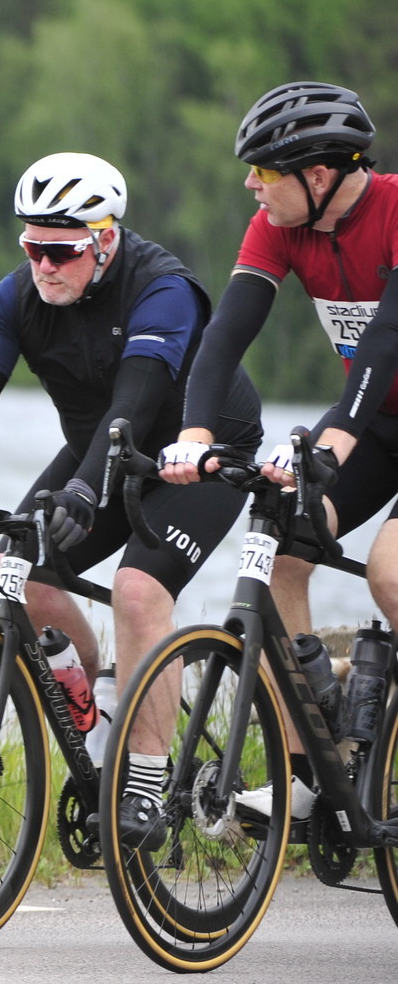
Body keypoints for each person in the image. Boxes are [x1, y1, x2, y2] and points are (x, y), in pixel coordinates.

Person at [0, 152, 263, 848]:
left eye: (61, 251)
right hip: (99, 448)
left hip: (196, 454)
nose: (44, 265)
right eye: (32, 248)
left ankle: (144, 782)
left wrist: (80, 489)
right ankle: (101, 718)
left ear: (105, 240)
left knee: (138, 591)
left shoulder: (162, 290)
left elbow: (133, 406)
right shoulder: (15, 298)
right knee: (21, 567)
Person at [160, 81, 387, 822]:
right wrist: (196, 433)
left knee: (389, 571)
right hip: (379, 422)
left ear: (317, 176)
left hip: (365, 412)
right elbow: (224, 334)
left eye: (263, 170)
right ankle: (306, 774)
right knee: (286, 548)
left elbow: (386, 343)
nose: (250, 184)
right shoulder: (279, 225)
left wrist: (333, 442)